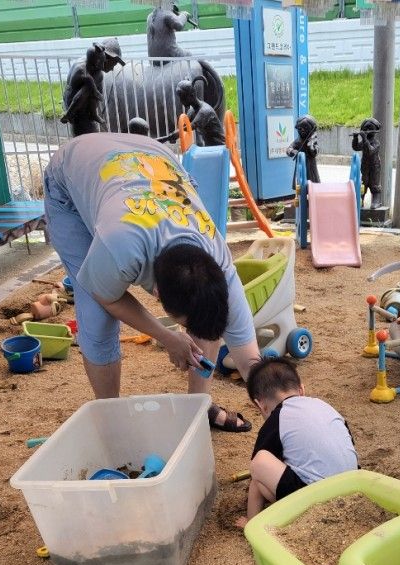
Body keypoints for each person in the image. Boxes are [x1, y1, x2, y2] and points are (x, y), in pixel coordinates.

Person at [43, 132, 260, 431]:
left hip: (152, 156)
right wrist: (168, 336)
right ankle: (112, 421)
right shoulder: (119, 247)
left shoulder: (215, 255)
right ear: (157, 293)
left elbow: (250, 361)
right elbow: (107, 297)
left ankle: (196, 408)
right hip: (73, 175)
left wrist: (280, 405)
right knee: (97, 315)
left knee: (205, 314)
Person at [236, 357, 358, 525]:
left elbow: (258, 464)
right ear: (301, 389)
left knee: (258, 468)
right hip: (353, 486)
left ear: (260, 405)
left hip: (317, 499)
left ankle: (251, 523)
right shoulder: (324, 406)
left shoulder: (278, 417)